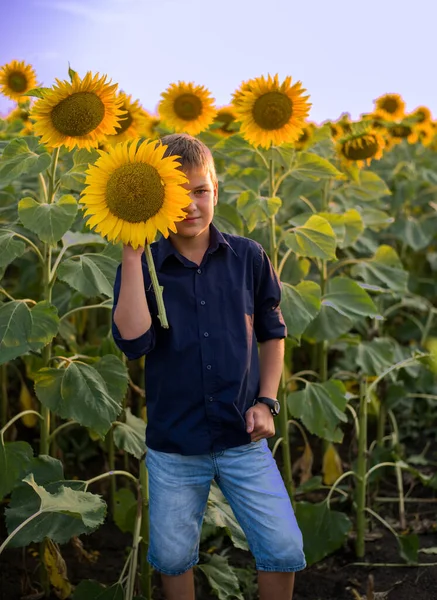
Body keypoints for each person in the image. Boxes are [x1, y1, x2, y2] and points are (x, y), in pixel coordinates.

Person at [112, 133, 305, 600]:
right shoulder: (148, 264)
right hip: (175, 445)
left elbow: (272, 333)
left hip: (241, 435)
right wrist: (133, 253)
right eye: (177, 194)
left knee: (282, 545)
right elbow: (134, 341)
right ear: (159, 200)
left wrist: (267, 400)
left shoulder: (249, 257)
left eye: (200, 191)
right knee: (174, 556)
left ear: (215, 191)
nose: (191, 204)